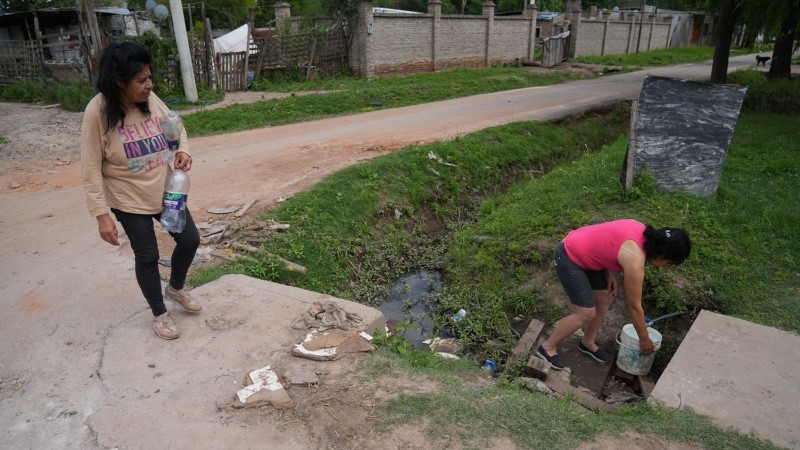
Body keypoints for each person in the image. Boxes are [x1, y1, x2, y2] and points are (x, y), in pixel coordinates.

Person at [81, 42, 201, 340]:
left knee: (189, 240)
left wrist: (182, 149)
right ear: (119, 82)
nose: (149, 85)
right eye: (141, 80)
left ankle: (175, 288)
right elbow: (90, 168)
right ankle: (160, 313)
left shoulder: (150, 99)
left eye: (150, 77)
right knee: (147, 255)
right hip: (128, 198)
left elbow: (176, 124)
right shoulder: (97, 112)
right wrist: (101, 216)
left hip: (165, 190)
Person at [537, 219, 690, 370]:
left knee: (604, 297)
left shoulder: (641, 230)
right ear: (661, 254)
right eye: (669, 263)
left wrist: (607, 269)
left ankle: (587, 342)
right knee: (585, 313)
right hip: (569, 256)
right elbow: (634, 306)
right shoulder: (635, 259)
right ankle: (547, 347)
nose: (666, 267)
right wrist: (644, 339)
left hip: (586, 253)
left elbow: (606, 241)